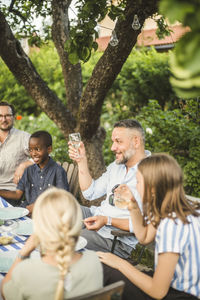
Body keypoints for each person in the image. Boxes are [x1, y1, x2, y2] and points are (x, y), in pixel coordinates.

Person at [97, 154, 200, 300]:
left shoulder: (171, 225)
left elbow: (158, 292)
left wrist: (120, 263)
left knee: (108, 272)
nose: (136, 187)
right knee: (110, 270)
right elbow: (144, 237)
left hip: (181, 295)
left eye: (138, 182)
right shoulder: (177, 206)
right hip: (173, 283)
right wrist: (132, 205)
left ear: (152, 188)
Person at [68, 119, 151, 259]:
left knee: (67, 241)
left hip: (115, 240)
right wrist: (81, 161)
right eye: (113, 141)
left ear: (136, 142)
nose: (112, 147)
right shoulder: (117, 166)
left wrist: (107, 220)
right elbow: (90, 192)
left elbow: (145, 225)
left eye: (118, 141)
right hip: (97, 218)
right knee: (60, 209)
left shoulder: (152, 172)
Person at [1, 188, 103, 300]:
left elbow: (4, 293)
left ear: (38, 226)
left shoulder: (25, 271)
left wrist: (24, 252)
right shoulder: (94, 261)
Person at [0, 130, 69, 213]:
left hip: (47, 214)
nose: (33, 153)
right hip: (26, 212)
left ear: (49, 149)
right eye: (31, 150)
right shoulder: (29, 170)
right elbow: (17, 195)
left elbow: (63, 199)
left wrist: (37, 206)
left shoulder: (58, 171)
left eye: (37, 149)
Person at [0, 102, 33, 204]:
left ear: (14, 117)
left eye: (8, 116)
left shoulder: (23, 137)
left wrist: (24, 165)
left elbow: (45, 155)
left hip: (9, 194)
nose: (4, 119)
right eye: (0, 116)